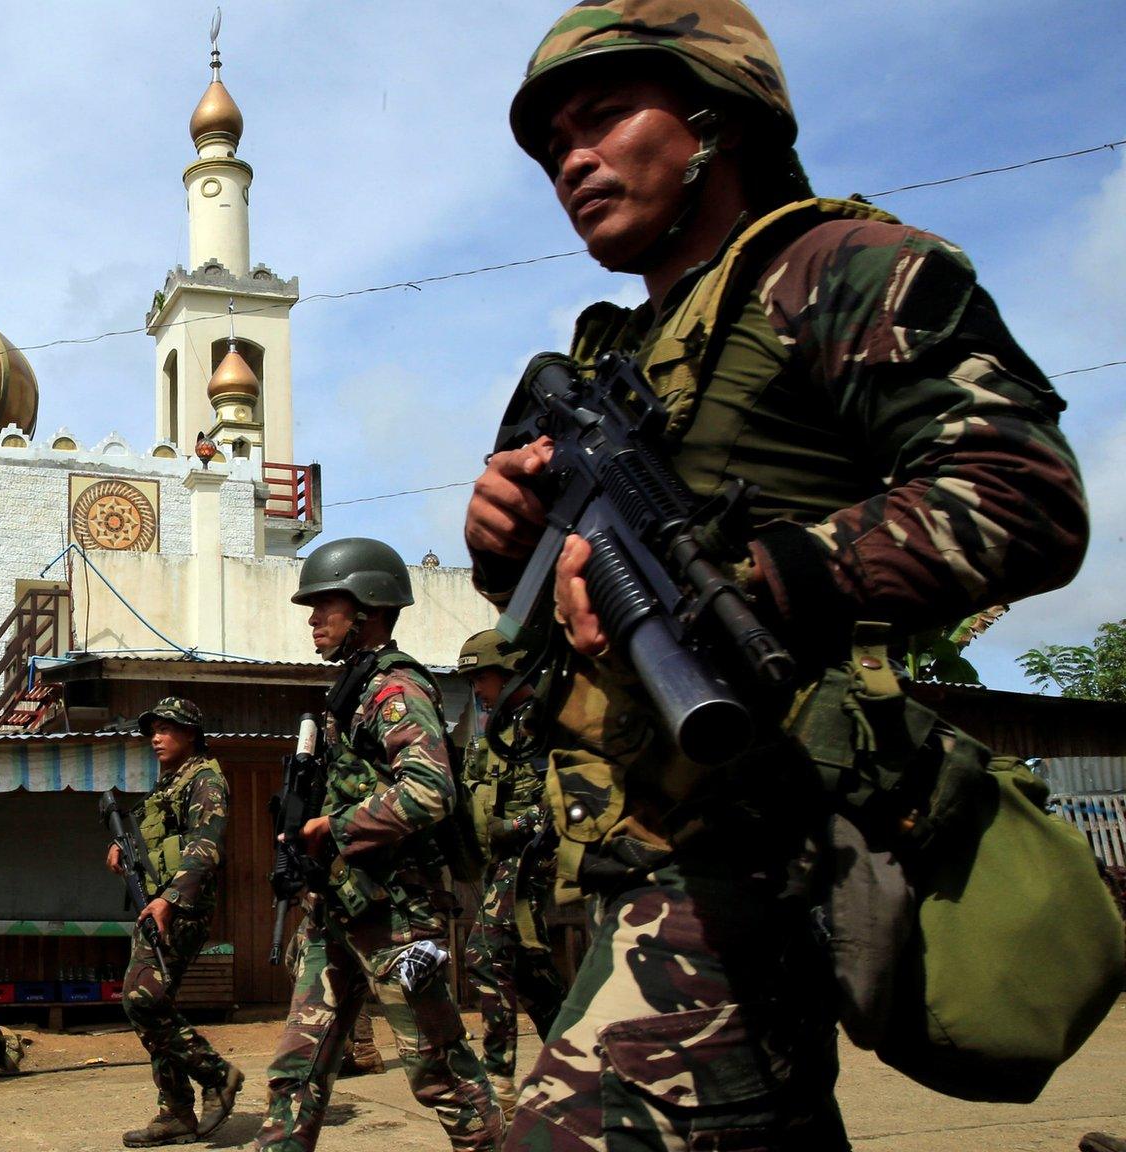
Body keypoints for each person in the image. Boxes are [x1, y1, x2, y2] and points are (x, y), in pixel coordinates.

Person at [468, 3, 1087, 1146]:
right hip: (618, 846)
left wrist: (751, 581)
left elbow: (1020, 496)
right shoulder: (611, 351)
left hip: (761, 839)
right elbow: (544, 619)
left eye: (603, 116)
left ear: (716, 118)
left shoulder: (843, 270)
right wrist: (506, 537)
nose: (571, 158)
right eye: (553, 140)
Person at [256, 539, 502, 1152]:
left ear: (367, 607)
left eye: (325, 605)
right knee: (296, 1071)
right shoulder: (353, 690)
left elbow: (429, 790)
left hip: (391, 915)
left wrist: (334, 829)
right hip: (340, 906)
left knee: (439, 1074)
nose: (313, 618)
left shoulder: (394, 688)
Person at [112, 696, 244, 1147]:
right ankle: (175, 1112)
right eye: (152, 729)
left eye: (166, 729)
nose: (156, 737)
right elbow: (162, 841)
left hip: (180, 908)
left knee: (142, 997)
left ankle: (217, 1074)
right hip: (157, 904)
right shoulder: (169, 781)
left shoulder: (205, 778)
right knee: (155, 1003)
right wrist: (126, 854)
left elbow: (206, 846)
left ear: (190, 734)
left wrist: (170, 899)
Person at [452, 630, 566, 1114]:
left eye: (484, 675)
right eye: (473, 678)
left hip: (533, 858)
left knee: (483, 953)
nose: (478, 686)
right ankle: (573, 1057)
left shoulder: (541, 722)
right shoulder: (495, 729)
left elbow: (563, 801)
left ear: (513, 670)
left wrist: (512, 826)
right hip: (503, 860)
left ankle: (498, 1078)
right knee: (528, 969)